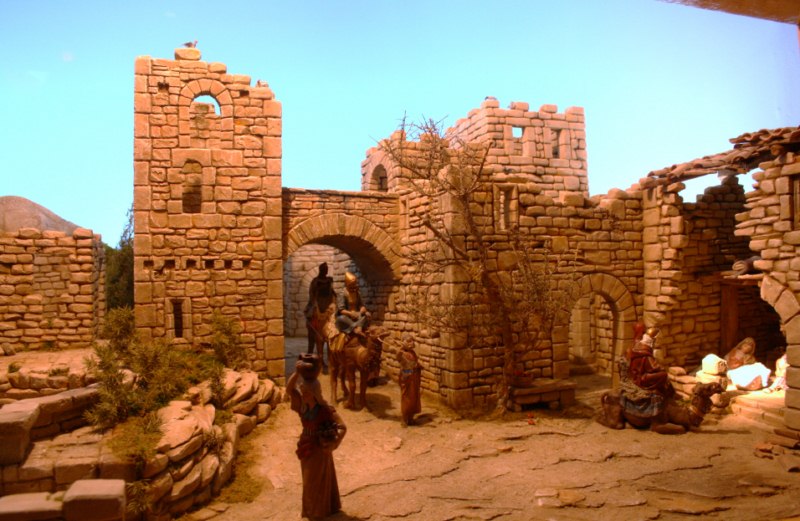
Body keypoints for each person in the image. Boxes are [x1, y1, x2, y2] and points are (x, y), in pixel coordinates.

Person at [287, 354, 347, 520]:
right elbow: (289, 389)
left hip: (320, 448)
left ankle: (317, 512)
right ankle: (311, 510)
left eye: (305, 392)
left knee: (316, 480)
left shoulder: (325, 410)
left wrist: (334, 443)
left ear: (314, 393)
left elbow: (343, 427)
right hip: (305, 444)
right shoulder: (302, 407)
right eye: (302, 391)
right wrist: (297, 372)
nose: (302, 394)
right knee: (308, 480)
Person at [627, 326, 673, 398]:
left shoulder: (637, 347)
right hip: (641, 379)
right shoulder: (645, 353)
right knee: (663, 375)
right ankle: (657, 391)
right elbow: (653, 367)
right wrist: (662, 368)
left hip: (635, 376)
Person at [305, 262, 337, 356]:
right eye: (324, 269)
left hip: (327, 307)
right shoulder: (315, 281)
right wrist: (315, 306)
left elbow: (332, 294)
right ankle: (310, 353)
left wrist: (333, 304)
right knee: (312, 330)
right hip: (317, 306)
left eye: (326, 269)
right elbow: (312, 294)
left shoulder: (329, 280)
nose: (326, 271)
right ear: (321, 270)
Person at [335, 272, 370, 338]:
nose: (353, 286)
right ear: (347, 284)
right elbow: (341, 310)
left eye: (354, 284)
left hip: (357, 314)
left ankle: (359, 328)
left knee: (366, 315)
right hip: (347, 316)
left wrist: (362, 308)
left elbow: (361, 304)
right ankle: (355, 328)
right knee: (341, 319)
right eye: (352, 285)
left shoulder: (357, 293)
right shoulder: (342, 294)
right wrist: (350, 314)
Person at [396, 333, 422, 426]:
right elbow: (398, 358)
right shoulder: (402, 353)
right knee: (406, 397)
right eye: (408, 341)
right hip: (406, 377)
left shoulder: (413, 353)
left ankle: (411, 418)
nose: (411, 343)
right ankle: (404, 418)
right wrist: (399, 352)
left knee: (413, 397)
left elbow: (414, 363)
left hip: (414, 377)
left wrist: (418, 365)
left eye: (412, 341)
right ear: (403, 342)